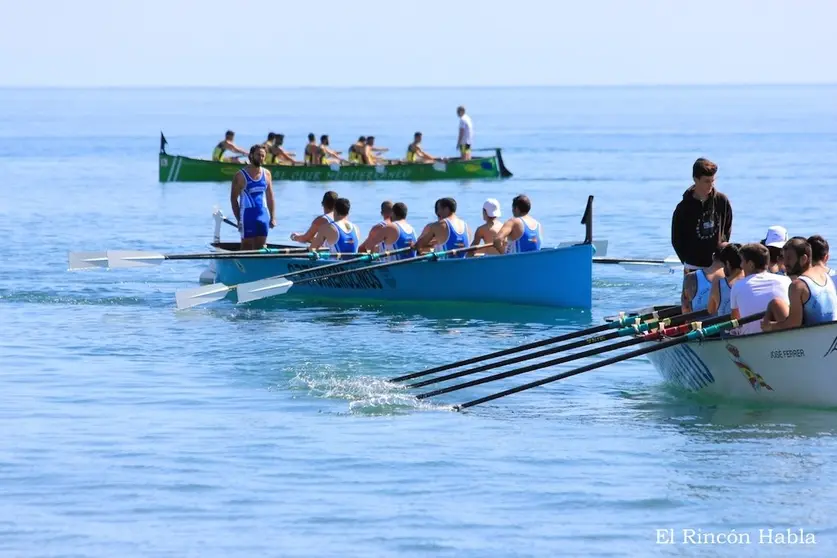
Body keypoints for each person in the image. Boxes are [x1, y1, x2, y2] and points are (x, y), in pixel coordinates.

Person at [670, 158, 733, 273]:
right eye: (707, 181)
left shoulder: (721, 201)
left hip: (717, 265)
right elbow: (676, 239)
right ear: (695, 179)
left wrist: (721, 255)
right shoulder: (683, 208)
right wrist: (687, 261)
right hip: (693, 266)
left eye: (713, 180)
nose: (711, 185)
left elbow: (727, 229)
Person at [762, 237, 837, 331]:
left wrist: (770, 326)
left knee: (775, 304)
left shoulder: (797, 285)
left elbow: (793, 325)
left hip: (812, 338)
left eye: (789, 258)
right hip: (831, 335)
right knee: (776, 304)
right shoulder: (825, 276)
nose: (785, 263)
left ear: (804, 259)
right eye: (784, 258)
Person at [729, 243, 792, 335]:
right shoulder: (785, 280)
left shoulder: (737, 286)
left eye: (742, 261)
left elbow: (735, 321)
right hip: (783, 334)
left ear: (751, 265)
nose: (741, 265)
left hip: (752, 338)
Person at [230, 144, 276, 250]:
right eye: (258, 155)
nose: (260, 158)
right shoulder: (240, 175)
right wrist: (238, 219)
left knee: (261, 248)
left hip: (263, 215)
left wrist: (273, 217)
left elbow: (270, 197)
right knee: (246, 247)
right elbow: (233, 199)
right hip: (247, 216)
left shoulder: (267, 174)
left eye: (263, 155)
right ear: (251, 156)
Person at [681, 243, 727, 313]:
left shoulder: (690, 277)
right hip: (723, 322)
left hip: (697, 322)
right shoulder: (733, 280)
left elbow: (685, 309)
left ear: (713, 256)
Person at [708, 243, 744, 316]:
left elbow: (711, 310)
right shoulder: (752, 281)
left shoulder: (717, 285)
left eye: (723, 265)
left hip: (726, 327)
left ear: (727, 263)